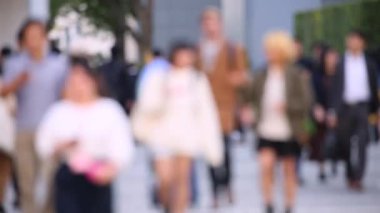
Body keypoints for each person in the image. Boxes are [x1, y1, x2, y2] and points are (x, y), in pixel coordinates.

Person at [133, 41, 223, 213]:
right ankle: (167, 207)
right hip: (161, 133)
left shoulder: (196, 79)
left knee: (182, 179)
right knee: (165, 179)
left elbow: (205, 111)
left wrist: (211, 143)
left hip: (187, 133)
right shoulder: (159, 77)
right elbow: (145, 105)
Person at [36, 57, 135, 213]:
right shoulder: (59, 110)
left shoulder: (109, 109)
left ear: (94, 82)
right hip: (69, 174)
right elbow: (44, 143)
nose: (78, 88)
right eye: (73, 82)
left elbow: (122, 144)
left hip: (99, 173)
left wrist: (112, 168)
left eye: (83, 81)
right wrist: (60, 146)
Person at [0, 19, 68, 213]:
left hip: (51, 131)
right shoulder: (14, 64)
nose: (33, 41)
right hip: (23, 129)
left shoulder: (58, 64)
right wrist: (17, 82)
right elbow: (3, 92)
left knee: (50, 180)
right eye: (29, 37)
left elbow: (65, 95)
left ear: (44, 37)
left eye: (37, 36)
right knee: (25, 181)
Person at [242, 31, 312, 213]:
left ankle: (289, 205)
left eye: (273, 50)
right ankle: (268, 203)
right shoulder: (261, 74)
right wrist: (248, 108)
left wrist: (287, 106)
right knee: (266, 166)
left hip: (289, 129)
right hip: (266, 128)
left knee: (289, 170)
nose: (269, 53)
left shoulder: (296, 74)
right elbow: (249, 96)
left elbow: (306, 102)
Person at [198, 7, 249, 207]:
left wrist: (242, 104)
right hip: (204, 108)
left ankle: (227, 184)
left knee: (226, 151)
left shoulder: (232, 49)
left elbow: (242, 76)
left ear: (220, 25)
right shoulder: (198, 50)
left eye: (213, 22)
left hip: (226, 107)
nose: (210, 27)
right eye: (206, 23)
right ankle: (214, 191)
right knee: (210, 152)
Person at [328, 30, 379, 191]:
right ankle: (350, 173)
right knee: (345, 142)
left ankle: (358, 177)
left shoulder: (370, 64)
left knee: (363, 141)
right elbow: (335, 89)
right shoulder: (341, 63)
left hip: (363, 107)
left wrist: (376, 110)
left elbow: (373, 86)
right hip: (344, 108)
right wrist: (332, 111)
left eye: (357, 40)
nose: (353, 43)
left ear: (363, 42)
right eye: (351, 40)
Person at [309, 47, 340, 181]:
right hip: (320, 110)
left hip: (338, 110)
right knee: (319, 139)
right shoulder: (316, 76)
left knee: (337, 139)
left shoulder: (341, 75)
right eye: (329, 57)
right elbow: (312, 94)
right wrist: (317, 108)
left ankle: (334, 161)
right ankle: (321, 167)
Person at [99, 44, 136, 114]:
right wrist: (130, 97)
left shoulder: (104, 67)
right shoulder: (123, 66)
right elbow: (128, 83)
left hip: (108, 96)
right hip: (121, 98)